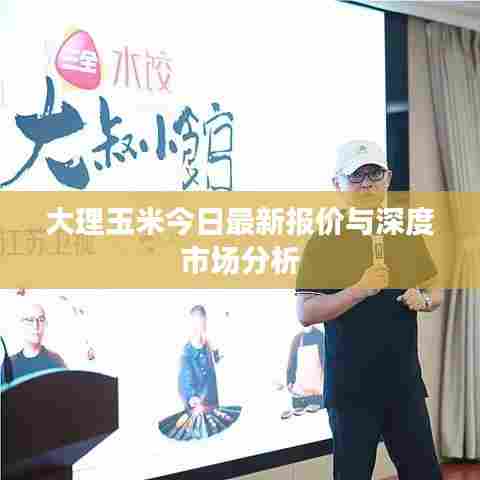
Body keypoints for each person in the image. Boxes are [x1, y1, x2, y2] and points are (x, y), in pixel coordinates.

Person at [295, 140, 443, 479]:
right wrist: (359, 290)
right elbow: (306, 311)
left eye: (374, 174)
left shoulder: (405, 232)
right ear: (338, 183)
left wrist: (424, 300)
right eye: (356, 176)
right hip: (351, 391)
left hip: (403, 384)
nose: (367, 184)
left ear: (388, 178)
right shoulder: (324, 240)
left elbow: (436, 291)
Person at [158, 305, 241, 441]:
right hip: (197, 411)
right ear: (191, 326)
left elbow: (219, 363)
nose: (200, 329)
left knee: (217, 438)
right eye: (197, 325)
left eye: (203, 324)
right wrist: (191, 396)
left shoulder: (209, 345)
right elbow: (184, 379)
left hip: (213, 407)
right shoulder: (186, 353)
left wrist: (217, 351)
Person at [1, 299, 67, 384]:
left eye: (41, 319)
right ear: (21, 324)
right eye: (30, 320)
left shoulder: (56, 361)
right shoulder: (8, 366)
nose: (36, 325)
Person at [286, 325, 325, 410]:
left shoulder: (320, 336)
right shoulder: (297, 339)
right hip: (301, 393)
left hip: (318, 394)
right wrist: (289, 380)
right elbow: (292, 362)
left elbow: (326, 363)